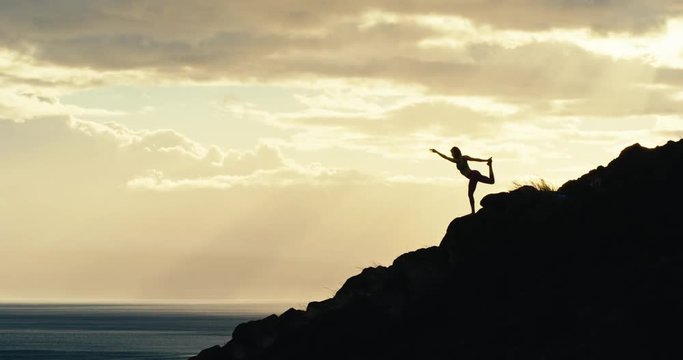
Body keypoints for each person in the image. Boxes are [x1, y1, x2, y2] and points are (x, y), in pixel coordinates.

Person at [430, 146, 495, 214]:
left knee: (470, 194)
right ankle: (490, 165)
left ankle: (473, 212)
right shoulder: (458, 160)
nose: (451, 155)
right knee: (491, 181)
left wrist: (486, 160)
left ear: (455, 153)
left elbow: (475, 159)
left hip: (473, 175)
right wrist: (436, 152)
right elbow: (446, 157)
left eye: (452, 153)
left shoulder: (461, 159)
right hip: (474, 174)